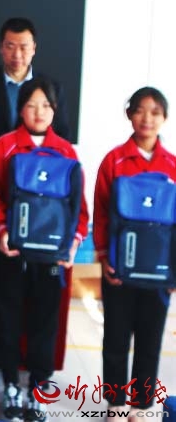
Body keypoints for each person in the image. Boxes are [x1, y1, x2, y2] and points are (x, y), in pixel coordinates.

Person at [0, 77, 88, 422]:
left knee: (45, 323)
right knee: (7, 319)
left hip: (51, 260)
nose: (38, 112)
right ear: (21, 109)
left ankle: (38, 390)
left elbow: (79, 209)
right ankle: (11, 385)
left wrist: (72, 244)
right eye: (31, 105)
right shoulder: (5, 146)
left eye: (45, 105)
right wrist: (1, 231)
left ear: (54, 110)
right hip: (12, 254)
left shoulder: (66, 152)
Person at [93, 87, 176, 422]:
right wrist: (103, 256)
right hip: (119, 267)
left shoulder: (173, 166)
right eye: (140, 110)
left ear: (164, 118)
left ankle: (141, 406)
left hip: (159, 273)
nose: (147, 118)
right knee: (115, 337)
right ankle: (115, 403)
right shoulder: (114, 160)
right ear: (130, 114)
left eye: (155, 112)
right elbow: (100, 212)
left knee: (150, 340)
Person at [0, 17, 70, 147]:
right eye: (10, 47)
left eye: (23, 47)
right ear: (1, 48)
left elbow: (62, 135)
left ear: (33, 48)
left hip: (39, 158)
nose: (17, 54)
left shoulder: (53, 88)